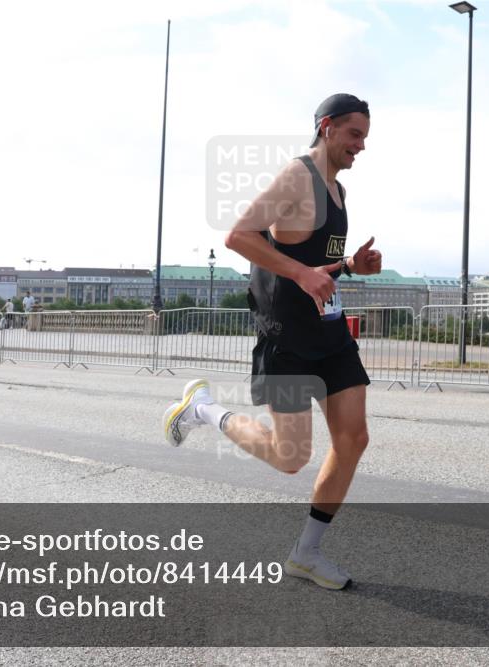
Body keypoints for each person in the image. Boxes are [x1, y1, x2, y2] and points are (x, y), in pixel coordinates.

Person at [162, 94, 381, 591]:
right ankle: (203, 409)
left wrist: (349, 267)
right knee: (290, 458)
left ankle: (306, 552)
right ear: (327, 127)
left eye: (365, 137)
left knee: (353, 440)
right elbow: (240, 235)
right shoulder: (297, 176)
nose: (361, 146)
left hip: (329, 334)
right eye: (354, 134)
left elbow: (312, 259)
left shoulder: (338, 191)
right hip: (286, 337)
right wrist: (303, 273)